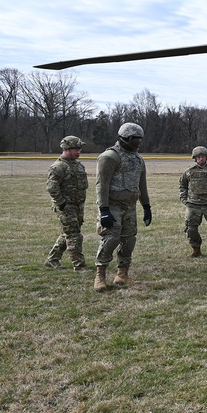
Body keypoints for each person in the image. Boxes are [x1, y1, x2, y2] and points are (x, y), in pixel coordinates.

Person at [94, 122, 151, 292]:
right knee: (110, 239)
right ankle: (100, 275)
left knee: (129, 240)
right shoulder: (110, 157)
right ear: (126, 138)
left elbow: (142, 185)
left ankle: (122, 274)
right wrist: (104, 210)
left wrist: (146, 206)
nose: (138, 143)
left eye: (140, 139)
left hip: (130, 206)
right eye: (135, 139)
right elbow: (101, 185)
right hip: (112, 205)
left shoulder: (138, 159)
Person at [45, 135, 90, 272]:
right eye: (76, 148)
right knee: (74, 235)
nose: (79, 152)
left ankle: (52, 259)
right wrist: (61, 203)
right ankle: (79, 266)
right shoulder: (59, 167)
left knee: (68, 234)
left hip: (77, 205)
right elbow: (52, 187)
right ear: (67, 149)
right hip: (66, 206)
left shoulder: (77, 165)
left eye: (79, 149)